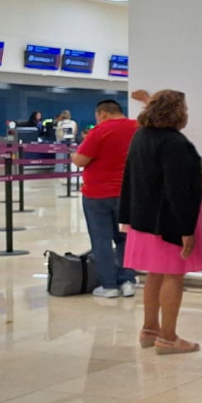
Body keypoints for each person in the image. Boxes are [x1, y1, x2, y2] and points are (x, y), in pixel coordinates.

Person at [120, 90, 202, 354]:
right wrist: (186, 229)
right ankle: (168, 337)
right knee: (173, 275)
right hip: (168, 222)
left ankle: (149, 329)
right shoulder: (175, 143)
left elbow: (136, 177)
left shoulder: (140, 136)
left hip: (143, 218)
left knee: (154, 274)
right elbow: (177, 189)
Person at [72, 99, 138, 297]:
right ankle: (128, 281)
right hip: (127, 195)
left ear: (103, 114)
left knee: (101, 240)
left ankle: (109, 285)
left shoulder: (99, 131)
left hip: (97, 195)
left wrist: (75, 155)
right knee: (125, 239)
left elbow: (80, 160)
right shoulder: (137, 127)